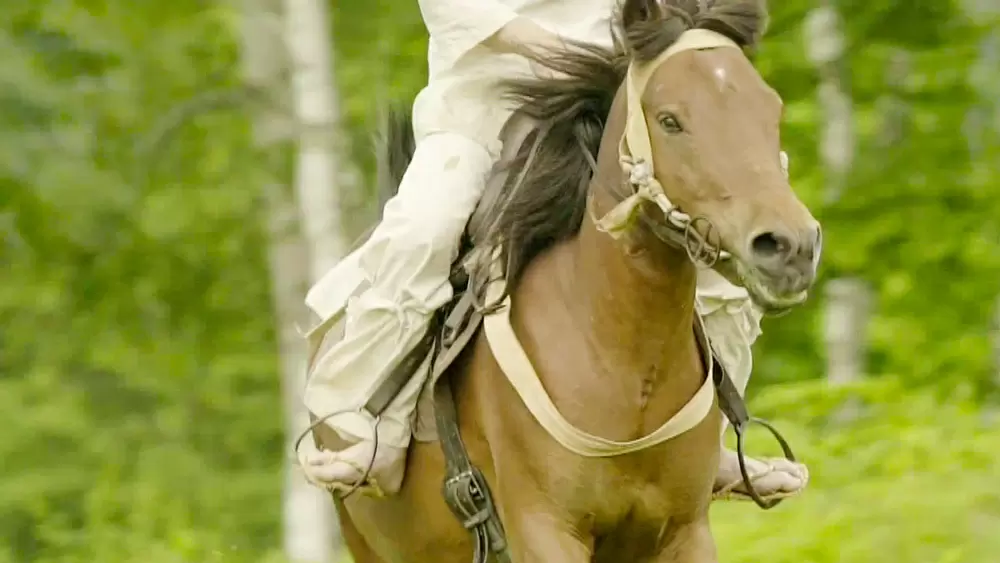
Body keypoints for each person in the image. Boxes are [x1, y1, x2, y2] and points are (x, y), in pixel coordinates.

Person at [297, 0, 808, 501]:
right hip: (485, 112)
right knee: (426, 227)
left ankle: (708, 439)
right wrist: (561, 51)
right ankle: (367, 421)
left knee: (713, 244)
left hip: (621, 103)